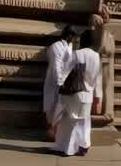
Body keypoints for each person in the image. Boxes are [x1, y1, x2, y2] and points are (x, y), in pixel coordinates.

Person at [55, 27, 101, 157]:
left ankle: (68, 148)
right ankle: (84, 145)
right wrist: (98, 96)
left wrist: (59, 87)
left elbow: (63, 73)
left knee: (70, 121)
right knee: (85, 121)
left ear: (82, 41)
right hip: (88, 94)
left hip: (74, 92)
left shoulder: (76, 54)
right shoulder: (96, 56)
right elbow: (97, 78)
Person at [43, 24, 75, 141]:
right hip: (55, 83)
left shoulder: (70, 46)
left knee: (60, 109)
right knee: (51, 108)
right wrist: (61, 83)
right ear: (70, 36)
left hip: (65, 84)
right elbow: (56, 67)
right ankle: (51, 134)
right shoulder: (55, 47)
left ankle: (58, 134)